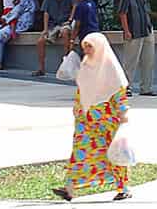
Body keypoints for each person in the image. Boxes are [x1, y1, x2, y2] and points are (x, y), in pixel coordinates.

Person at [53, 32, 131, 202]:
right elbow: (82, 90)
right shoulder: (86, 65)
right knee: (80, 153)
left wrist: (123, 114)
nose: (87, 50)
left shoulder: (110, 67)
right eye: (85, 46)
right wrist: (77, 110)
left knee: (113, 154)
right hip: (86, 120)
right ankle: (70, 189)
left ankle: (123, 187)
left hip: (107, 120)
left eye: (90, 46)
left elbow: (119, 93)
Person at [117, 0, 155, 96]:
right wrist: (126, 30)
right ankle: (125, 87)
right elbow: (122, 12)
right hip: (134, 30)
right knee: (130, 61)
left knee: (148, 60)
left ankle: (146, 88)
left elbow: (146, 10)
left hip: (147, 29)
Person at [35, 0, 75, 77]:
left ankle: (66, 65)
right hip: (53, 25)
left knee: (65, 32)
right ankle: (41, 68)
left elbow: (75, 6)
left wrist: (70, 20)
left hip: (65, 23)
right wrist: (45, 29)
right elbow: (46, 12)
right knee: (40, 41)